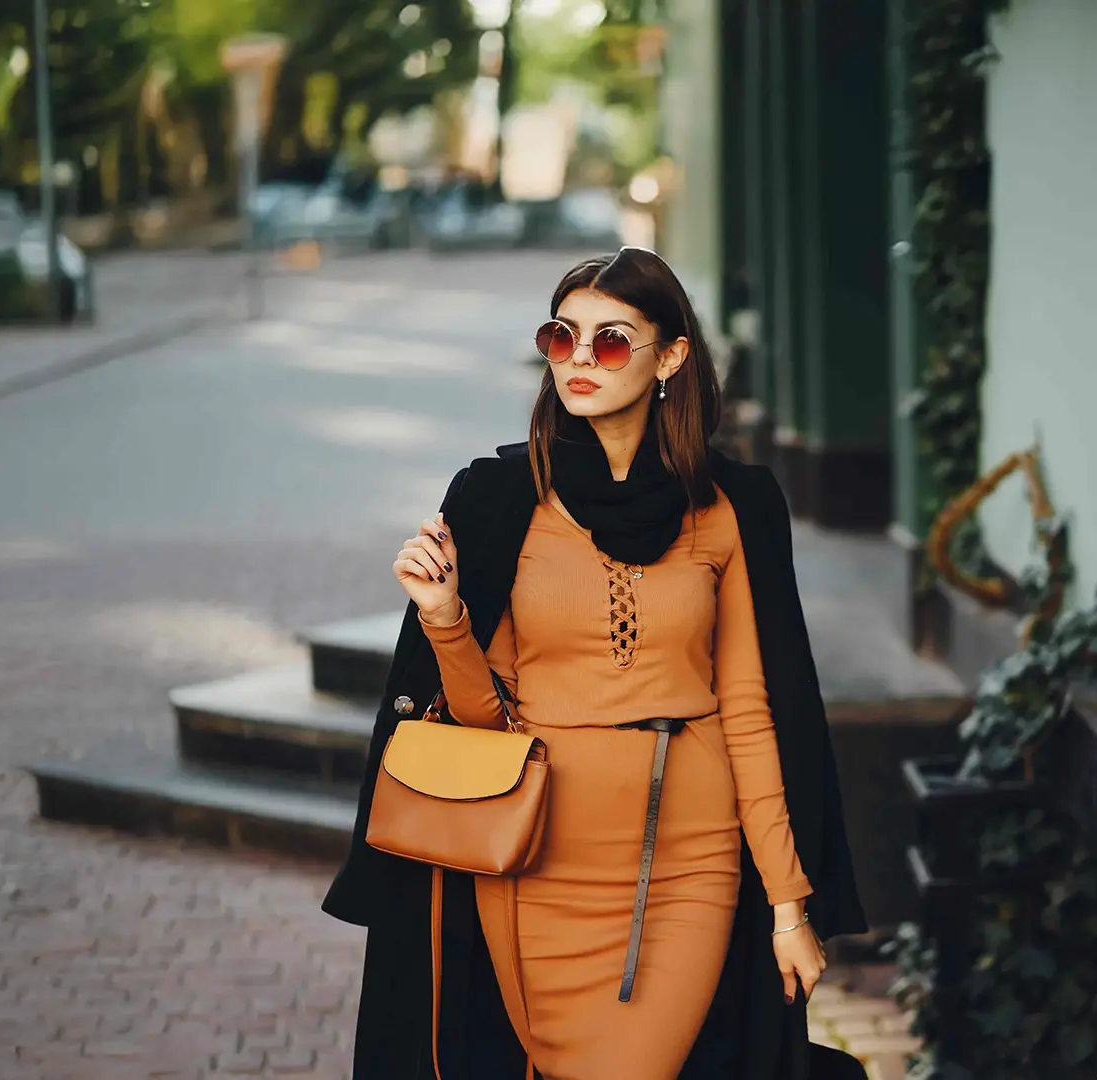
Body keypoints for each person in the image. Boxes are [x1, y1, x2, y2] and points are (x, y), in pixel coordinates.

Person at [321, 247, 866, 1079]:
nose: (580, 359)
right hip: (535, 856)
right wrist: (445, 620)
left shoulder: (730, 508)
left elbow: (752, 712)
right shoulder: (499, 499)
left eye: (611, 341)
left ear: (670, 358)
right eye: (561, 336)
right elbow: (483, 719)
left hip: (691, 856)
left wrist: (789, 903)